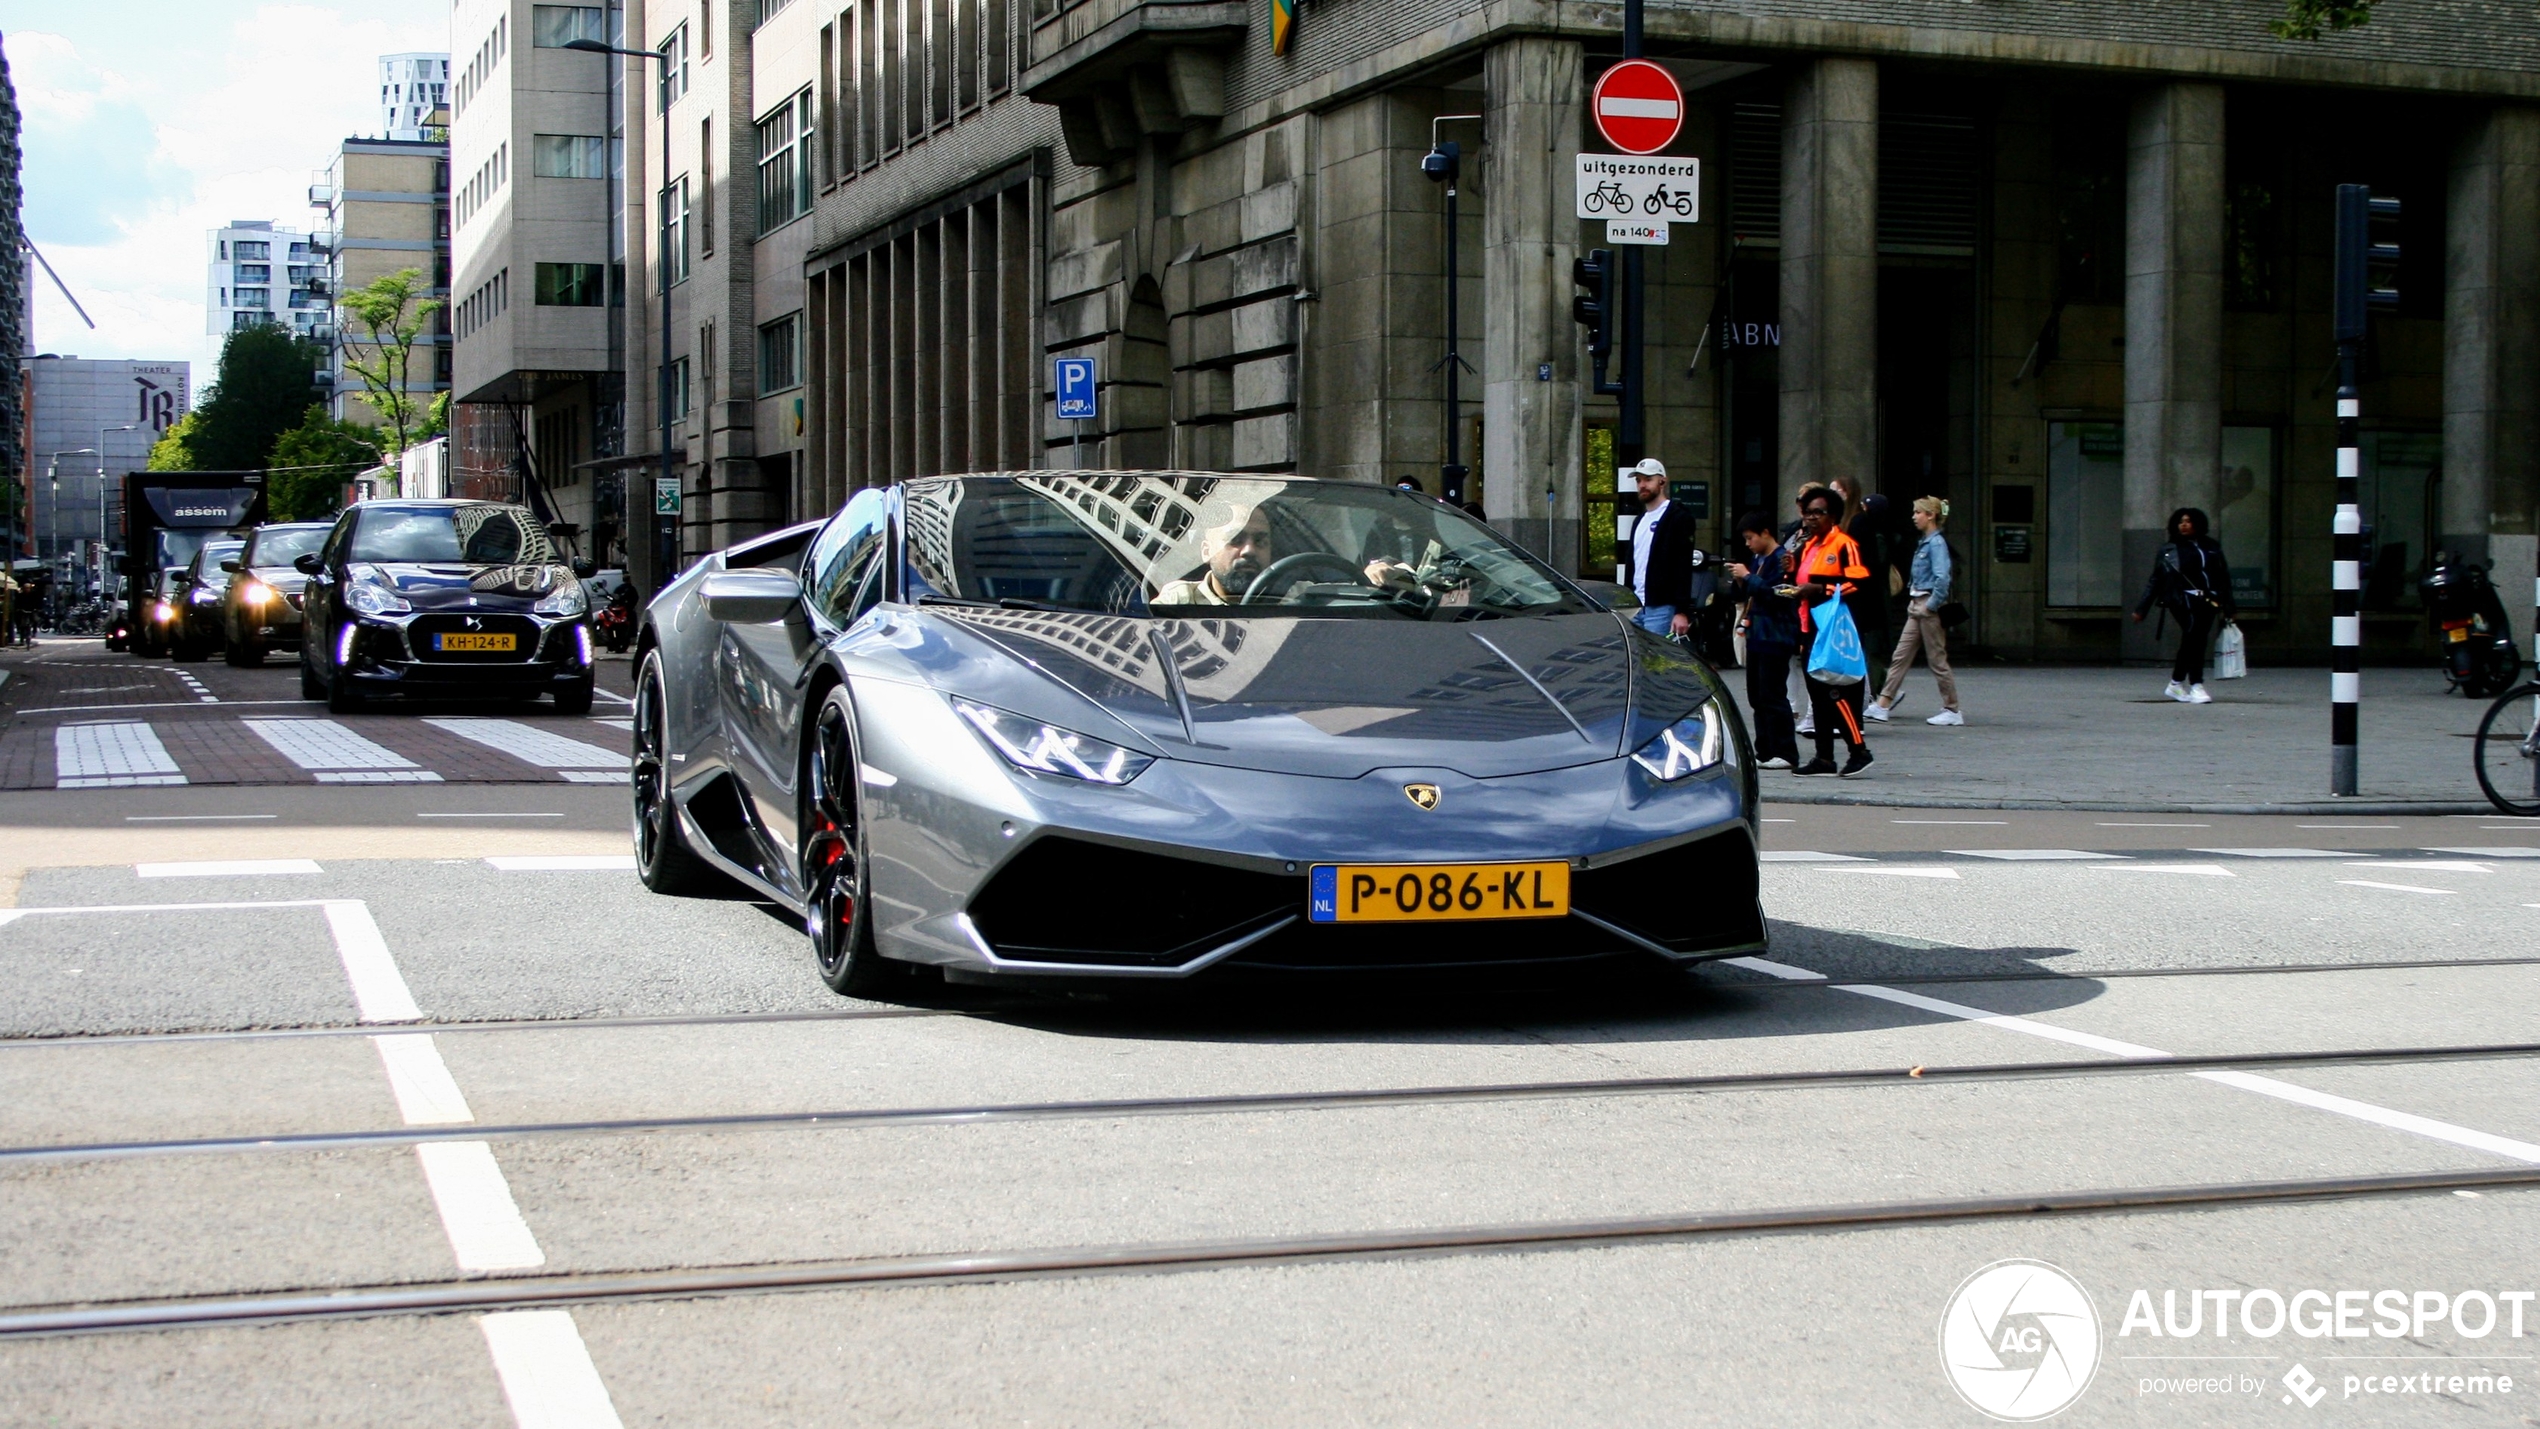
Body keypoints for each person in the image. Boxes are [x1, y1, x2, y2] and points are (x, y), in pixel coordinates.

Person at [1792, 486, 1874, 776]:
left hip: (1832, 627)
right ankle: (1824, 757)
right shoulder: (1808, 545)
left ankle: (1859, 750)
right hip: (1809, 626)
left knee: (1836, 691)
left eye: (1818, 512)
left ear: (1834, 515)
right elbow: (1799, 580)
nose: (1811, 517)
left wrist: (1822, 589)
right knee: (1818, 694)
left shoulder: (1844, 544)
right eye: (1808, 512)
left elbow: (1860, 583)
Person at [1866, 496, 1962, 726]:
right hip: (1917, 604)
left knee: (1937, 659)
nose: (1914, 517)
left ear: (1930, 515)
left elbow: (1942, 578)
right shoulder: (1927, 541)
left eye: (1918, 512)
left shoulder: (1936, 543)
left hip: (1927, 605)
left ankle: (1952, 709)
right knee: (1900, 655)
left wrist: (1931, 605)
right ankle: (1883, 704)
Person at [2130, 505, 2236, 703]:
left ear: (2197, 523)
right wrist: (2141, 608)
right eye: (2181, 521)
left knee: (2195, 638)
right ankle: (2196, 684)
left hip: (2209, 599)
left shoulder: (2211, 546)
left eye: (2188, 521)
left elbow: (2223, 576)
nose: (2184, 525)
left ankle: (2176, 683)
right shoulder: (2170, 549)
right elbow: (2156, 579)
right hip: (2181, 599)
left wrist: (2229, 605)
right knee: (2194, 635)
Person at [1724, 510, 1801, 769]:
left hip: (1775, 634)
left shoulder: (1782, 559)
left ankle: (1785, 751)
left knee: (1773, 694)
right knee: (1757, 696)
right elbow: (1749, 593)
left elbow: (1776, 594)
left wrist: (1747, 576)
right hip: (1757, 634)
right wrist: (1740, 580)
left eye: (1750, 538)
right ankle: (1765, 749)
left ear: (1765, 533)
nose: (1748, 544)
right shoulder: (1758, 559)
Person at [1623, 457, 1695, 640]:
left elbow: (1683, 566)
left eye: (1648, 479)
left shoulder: (1678, 517)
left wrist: (1681, 611)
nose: (1642, 485)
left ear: (1662, 481)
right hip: (1636, 607)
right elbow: (1632, 565)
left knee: (1658, 663)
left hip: (1662, 607)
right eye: (1638, 480)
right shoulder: (1639, 521)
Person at [1153, 500, 1277, 605]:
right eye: (1235, 539)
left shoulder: (1291, 600)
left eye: (1260, 542)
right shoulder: (1179, 602)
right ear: (1206, 551)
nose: (1249, 550)